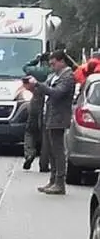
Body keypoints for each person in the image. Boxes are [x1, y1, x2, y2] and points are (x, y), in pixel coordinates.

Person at [24, 50, 76, 195]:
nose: (51, 66)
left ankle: (60, 183)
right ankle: (52, 180)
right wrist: (33, 87)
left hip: (59, 117)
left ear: (61, 61)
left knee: (58, 151)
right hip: (49, 115)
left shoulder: (68, 76)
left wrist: (39, 85)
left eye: (53, 64)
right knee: (51, 151)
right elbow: (44, 89)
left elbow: (57, 93)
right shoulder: (54, 75)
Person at [22, 52, 51, 172]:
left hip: (35, 102)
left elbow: (25, 67)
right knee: (45, 135)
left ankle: (29, 153)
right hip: (48, 103)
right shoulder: (52, 71)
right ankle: (43, 164)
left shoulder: (35, 70)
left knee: (30, 131)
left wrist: (35, 60)